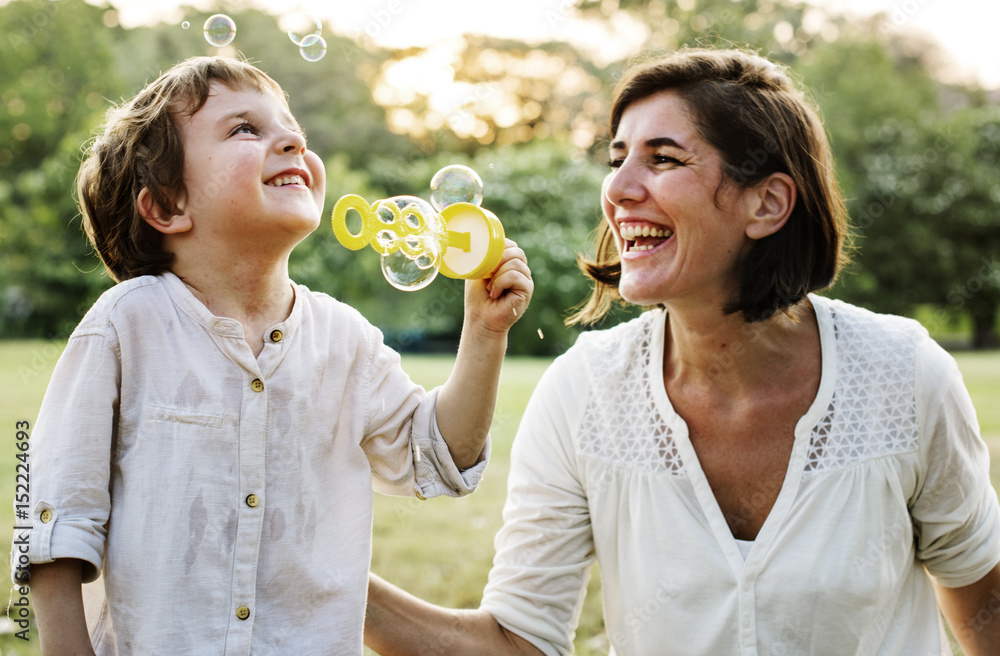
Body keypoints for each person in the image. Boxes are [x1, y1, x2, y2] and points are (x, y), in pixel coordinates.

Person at [364, 48, 1000, 655]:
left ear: (768, 203)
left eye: (663, 159)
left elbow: (984, 611)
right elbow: (518, 644)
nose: (618, 190)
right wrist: (312, 571)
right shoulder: (582, 391)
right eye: (617, 159)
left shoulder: (904, 377)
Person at [17, 56, 532, 655]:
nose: (292, 141)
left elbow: (440, 454)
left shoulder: (346, 339)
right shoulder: (125, 326)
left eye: (293, 131)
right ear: (166, 206)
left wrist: (485, 331)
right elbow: (55, 525)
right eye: (244, 129)